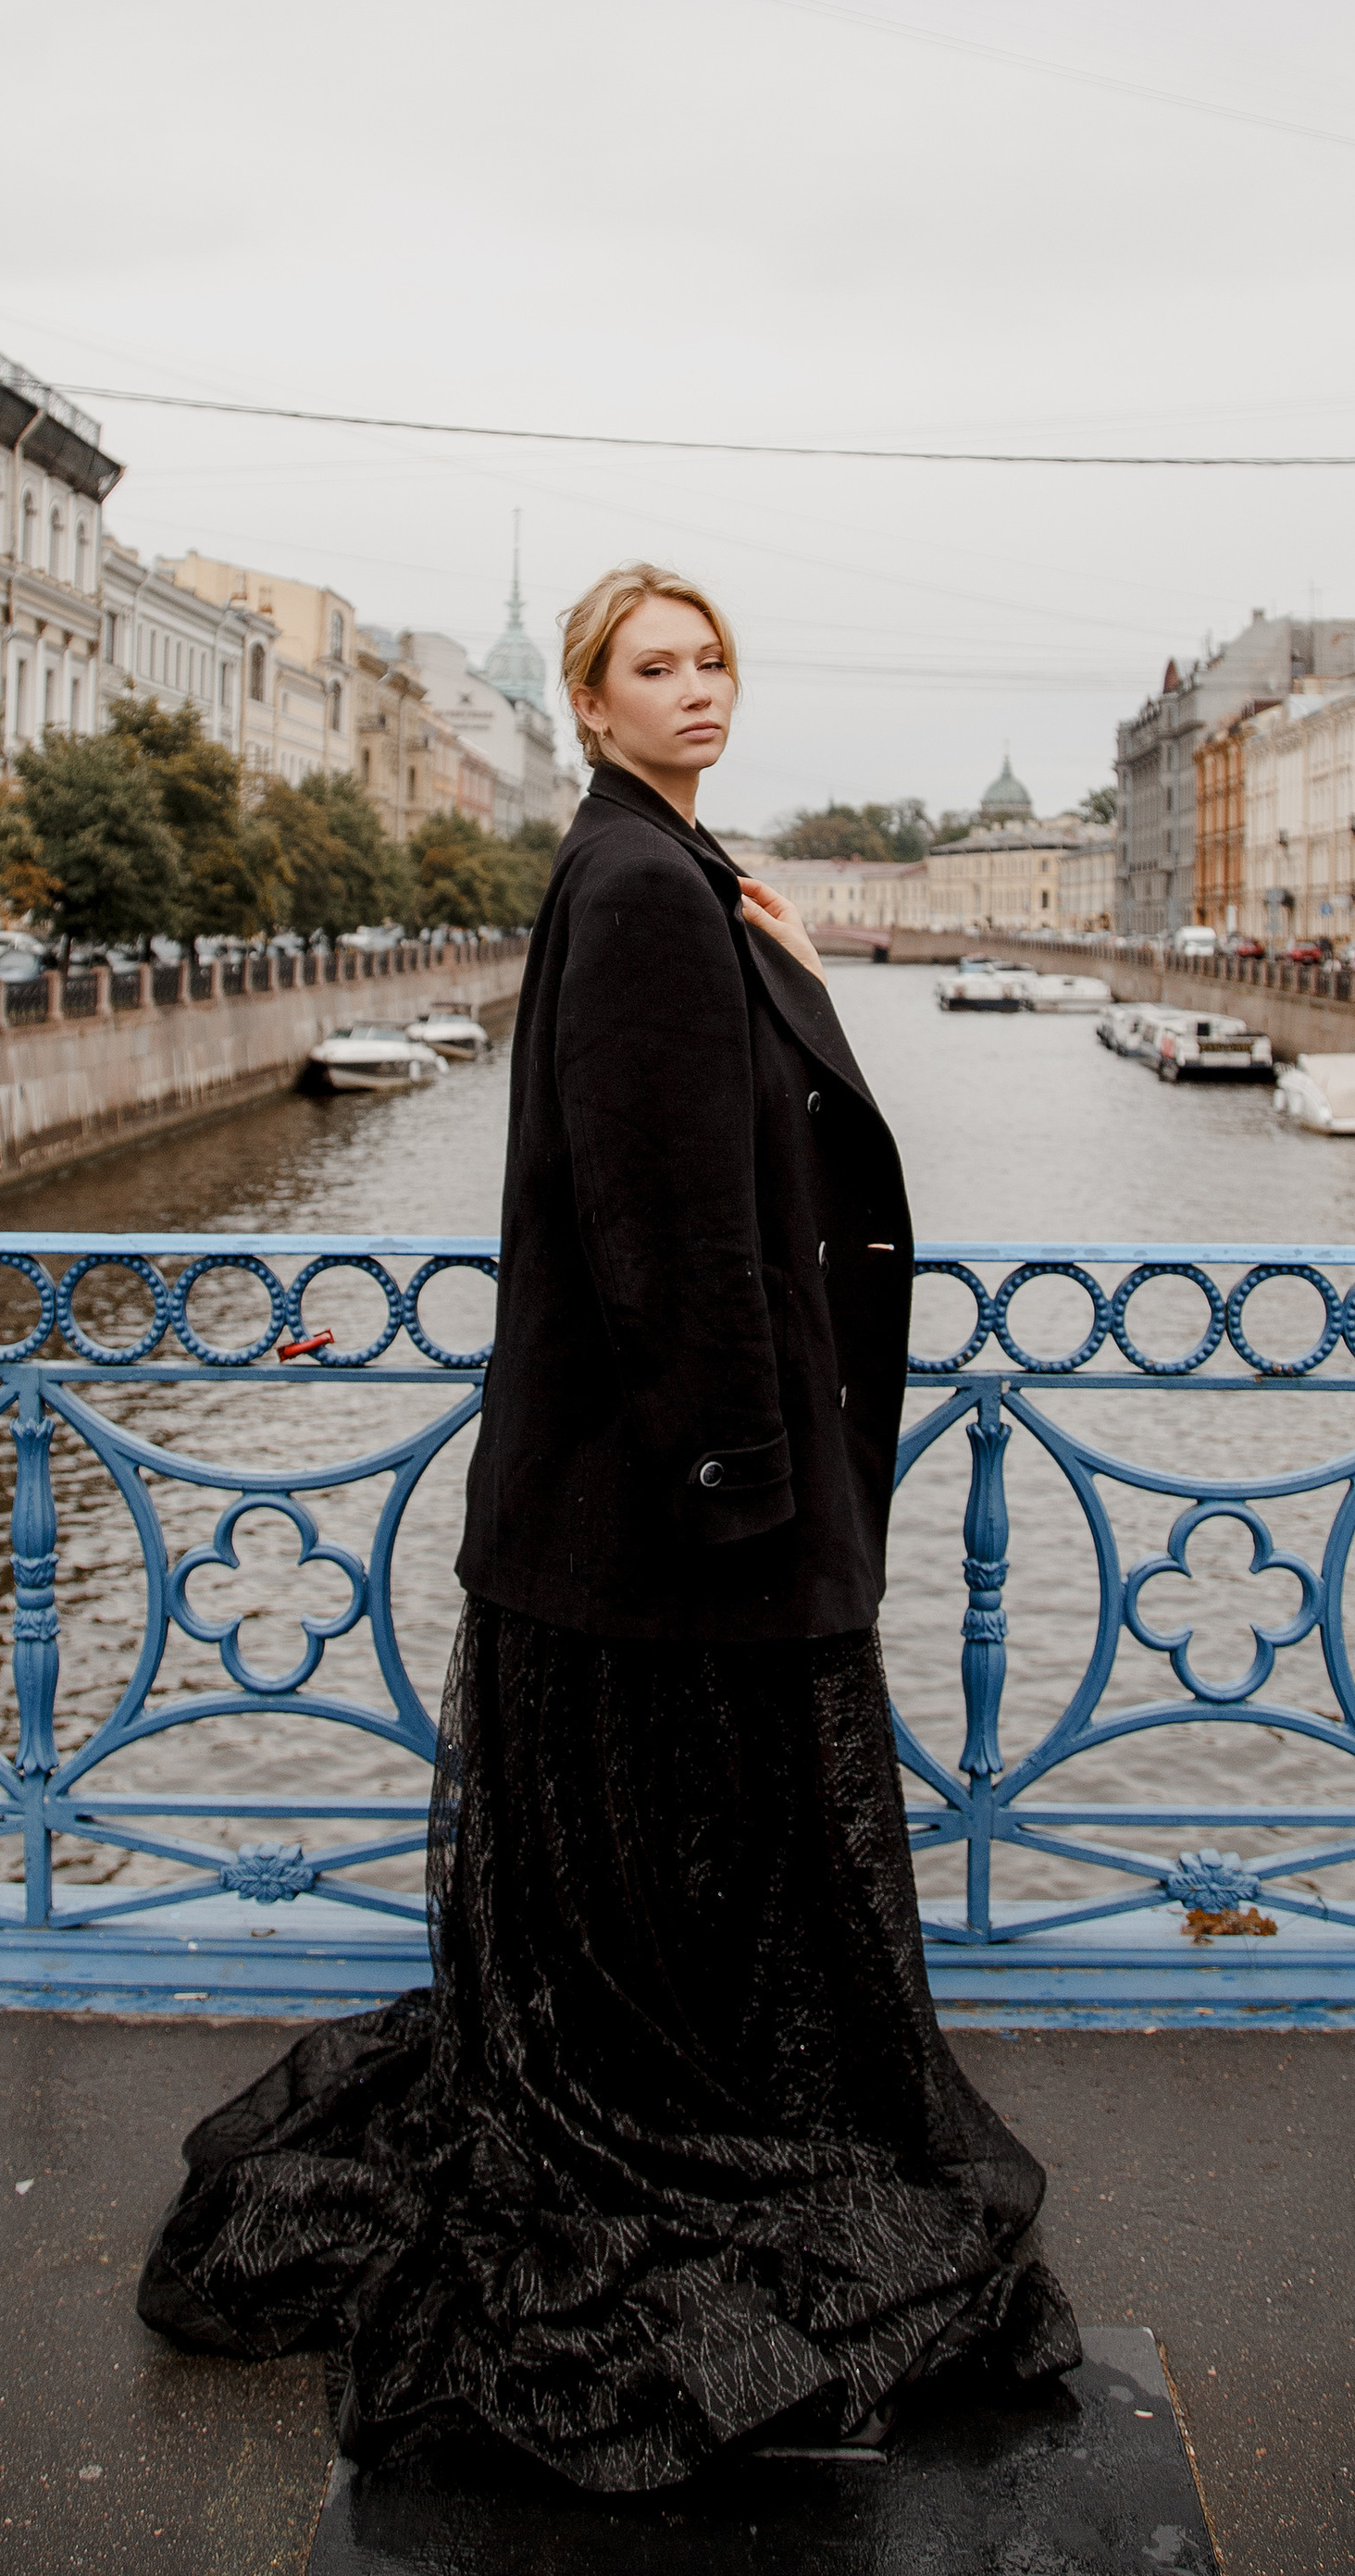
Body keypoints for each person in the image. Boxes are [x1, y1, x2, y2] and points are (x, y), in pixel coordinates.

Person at [137, 560, 1078, 2489]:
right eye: (655, 667)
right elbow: (675, 1234)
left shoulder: (652, 867)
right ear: (589, 702)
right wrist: (744, 1478)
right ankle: (687, 2125)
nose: (695, 688)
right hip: (673, 1512)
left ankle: (663, 2091)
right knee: (707, 1861)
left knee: (653, 1877)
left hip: (623, 1507)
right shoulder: (643, 889)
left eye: (713, 659)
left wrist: (796, 972)